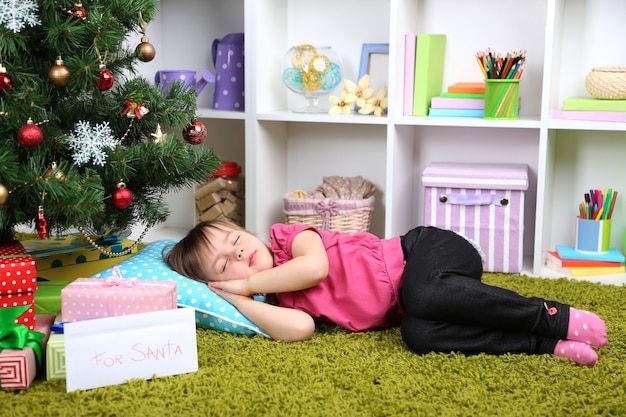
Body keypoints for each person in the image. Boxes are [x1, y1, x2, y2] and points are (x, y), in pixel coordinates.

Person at [164, 220, 607, 366]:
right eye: (226, 263)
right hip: (418, 304)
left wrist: (247, 280)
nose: (241, 253)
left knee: (426, 297)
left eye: (236, 239)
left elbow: (315, 268)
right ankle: (545, 344)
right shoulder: (278, 301)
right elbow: (298, 330)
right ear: (216, 282)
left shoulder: (289, 238)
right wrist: (234, 297)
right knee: (419, 335)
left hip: (429, 251)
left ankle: (549, 314)